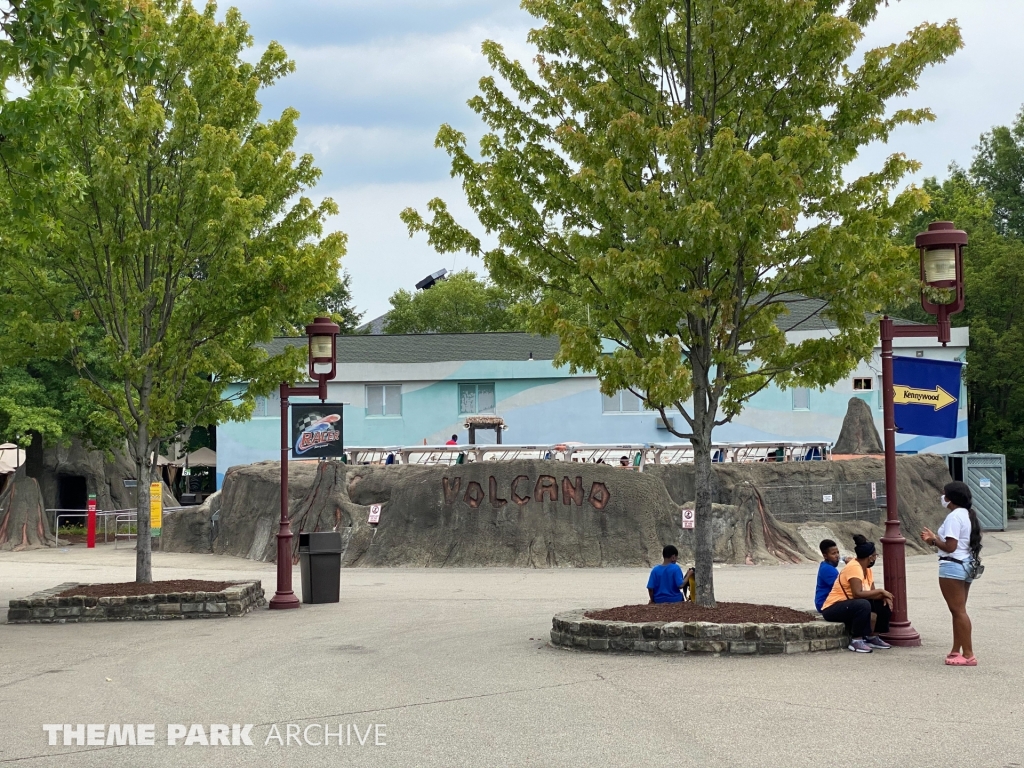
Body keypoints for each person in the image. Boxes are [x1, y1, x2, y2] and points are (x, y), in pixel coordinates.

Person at [921, 481, 983, 666]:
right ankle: (957, 650)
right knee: (958, 611)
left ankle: (969, 654)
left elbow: (950, 546)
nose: (942, 497)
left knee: (958, 611)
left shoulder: (954, 517)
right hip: (965, 564)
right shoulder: (966, 514)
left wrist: (933, 540)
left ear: (950, 498)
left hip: (952, 566)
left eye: (944, 494)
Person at [820, 535, 894, 653]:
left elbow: (871, 593)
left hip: (850, 604)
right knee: (862, 604)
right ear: (870, 558)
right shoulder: (854, 567)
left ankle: (873, 637)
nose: (875, 558)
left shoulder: (867, 570)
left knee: (882, 603)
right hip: (832, 608)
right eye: (875, 556)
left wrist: (883, 596)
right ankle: (856, 640)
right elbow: (857, 594)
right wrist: (881, 591)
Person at [814, 539, 851, 613]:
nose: (837, 556)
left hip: (828, 601)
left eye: (838, 552)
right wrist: (850, 567)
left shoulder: (828, 566)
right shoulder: (827, 569)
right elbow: (842, 587)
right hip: (825, 603)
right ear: (825, 556)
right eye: (833, 553)